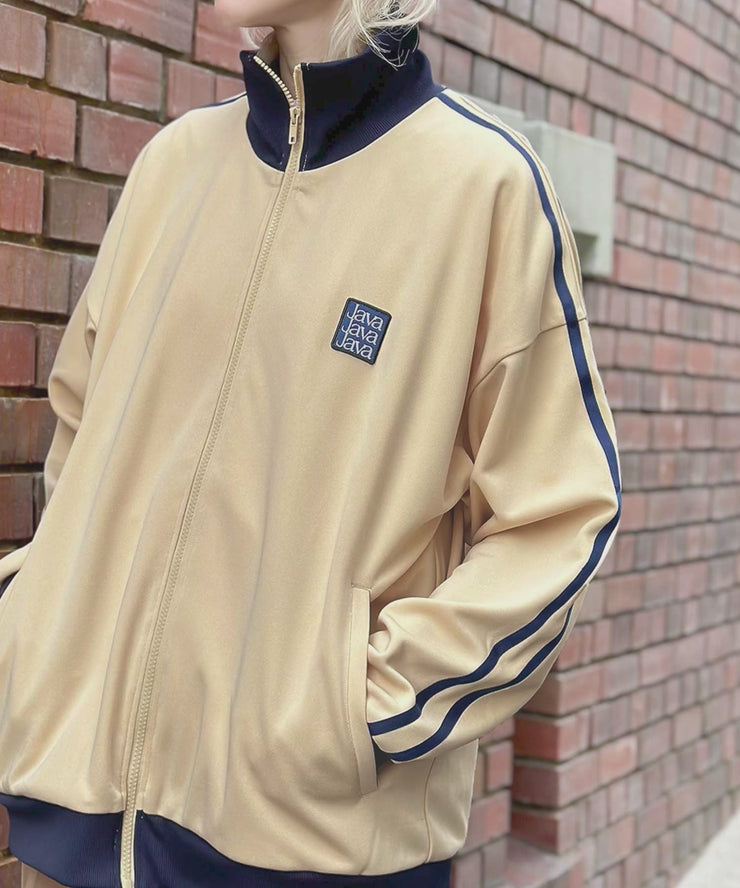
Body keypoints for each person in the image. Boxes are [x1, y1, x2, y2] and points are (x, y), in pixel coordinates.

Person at [2, 0, 622, 885]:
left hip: (310, 845)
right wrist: (40, 627)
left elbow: (562, 516)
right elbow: (83, 431)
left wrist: (365, 709)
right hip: (73, 831)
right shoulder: (174, 165)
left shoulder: (482, 187)